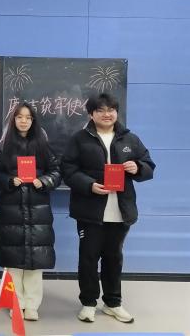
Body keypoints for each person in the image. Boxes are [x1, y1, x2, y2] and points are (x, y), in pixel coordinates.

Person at [61, 93, 155, 324]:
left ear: (116, 112)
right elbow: (68, 170)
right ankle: (88, 303)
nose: (107, 114)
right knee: (88, 258)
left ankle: (113, 303)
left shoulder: (130, 139)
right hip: (90, 211)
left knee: (114, 258)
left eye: (111, 109)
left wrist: (138, 167)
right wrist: (89, 185)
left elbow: (149, 166)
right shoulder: (79, 139)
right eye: (100, 110)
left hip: (121, 210)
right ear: (91, 114)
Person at [0, 102, 61, 321]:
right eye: (19, 117)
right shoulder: (3, 147)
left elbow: (57, 172)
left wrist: (44, 181)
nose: (23, 121)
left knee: (35, 261)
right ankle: (16, 303)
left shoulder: (43, 145)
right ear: (13, 120)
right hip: (11, 211)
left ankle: (31, 305)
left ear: (33, 121)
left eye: (28, 117)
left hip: (38, 211)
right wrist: (9, 181)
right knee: (13, 262)